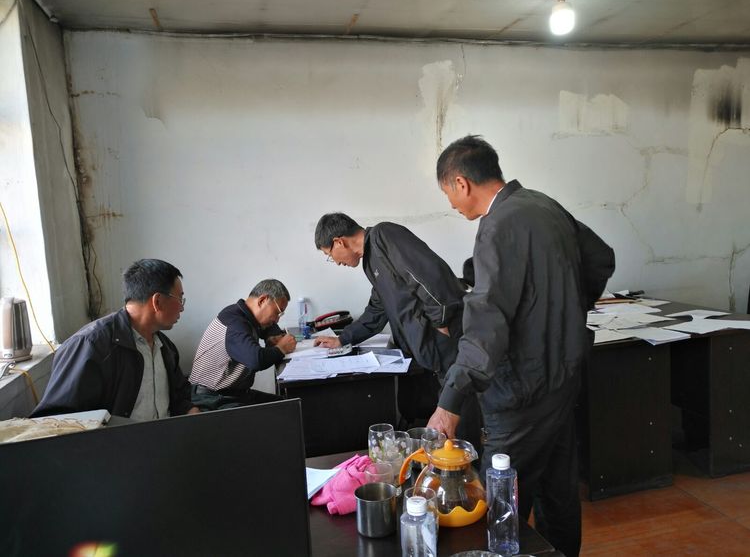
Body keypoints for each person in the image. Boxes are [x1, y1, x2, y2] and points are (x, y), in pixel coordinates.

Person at [427, 135, 615, 557]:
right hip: (564, 377)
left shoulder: (497, 225)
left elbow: (486, 324)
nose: (452, 205)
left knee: (503, 502)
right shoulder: (543, 204)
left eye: (448, 194)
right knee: (558, 490)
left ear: (461, 183)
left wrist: (451, 400)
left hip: (522, 390)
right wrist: (565, 310)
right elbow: (601, 258)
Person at [313, 213, 481, 442]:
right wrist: (343, 339)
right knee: (445, 420)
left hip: (444, 341)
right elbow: (377, 309)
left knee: (460, 412)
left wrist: (442, 320)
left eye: (329, 255)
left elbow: (429, 274)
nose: (336, 262)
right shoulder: (371, 261)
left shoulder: (384, 235)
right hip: (426, 352)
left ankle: (474, 461)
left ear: (338, 242)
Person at [32, 259, 199, 420]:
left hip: (165, 437)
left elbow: (180, 399)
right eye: (180, 299)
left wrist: (191, 411)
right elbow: (58, 420)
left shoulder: (165, 348)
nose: (182, 308)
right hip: (116, 440)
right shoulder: (90, 345)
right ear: (158, 301)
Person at [189, 279, 297, 411]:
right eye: (278, 312)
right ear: (262, 300)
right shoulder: (234, 322)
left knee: (290, 405)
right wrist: (281, 348)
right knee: (286, 412)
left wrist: (272, 336)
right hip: (211, 399)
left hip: (235, 394)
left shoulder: (246, 315)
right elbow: (255, 359)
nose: (277, 319)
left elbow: (271, 328)